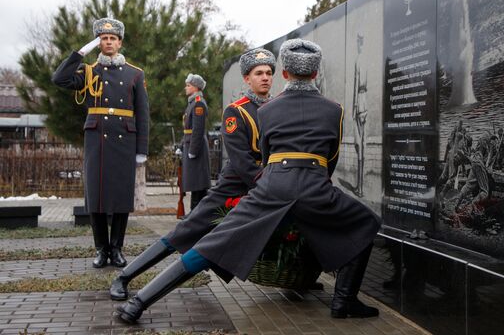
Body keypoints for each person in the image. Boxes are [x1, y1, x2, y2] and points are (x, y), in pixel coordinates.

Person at [116, 39, 381, 323]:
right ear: (315, 73)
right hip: (315, 185)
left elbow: (267, 156)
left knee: (210, 245)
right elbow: (331, 159)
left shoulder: (267, 111)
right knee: (367, 222)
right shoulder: (335, 110)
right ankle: (344, 300)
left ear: (285, 74)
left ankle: (138, 304)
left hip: (272, 184)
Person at [110, 48, 276, 300]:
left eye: (269, 73)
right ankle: (124, 277)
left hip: (263, 186)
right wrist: (267, 182)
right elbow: (242, 161)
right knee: (185, 231)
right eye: (258, 73)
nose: (265, 77)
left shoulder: (277, 108)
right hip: (235, 186)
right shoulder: (236, 111)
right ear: (247, 79)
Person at [52, 18, 149, 268]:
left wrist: (141, 150)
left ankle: (116, 248)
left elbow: (143, 114)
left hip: (124, 141)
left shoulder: (135, 74)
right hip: (97, 141)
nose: (108, 42)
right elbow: (59, 79)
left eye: (112, 38)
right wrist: (80, 52)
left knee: (120, 198)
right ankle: (100, 250)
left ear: (120, 42)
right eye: (103, 39)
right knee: (95, 198)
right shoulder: (88, 71)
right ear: (98, 43)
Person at [181, 73, 210, 210]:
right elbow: (187, 129)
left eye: (188, 85)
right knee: (194, 183)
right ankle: (195, 212)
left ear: (196, 88)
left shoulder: (198, 103)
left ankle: (197, 212)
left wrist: (192, 150)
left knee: (198, 183)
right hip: (190, 145)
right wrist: (182, 145)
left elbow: (197, 130)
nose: (186, 88)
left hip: (196, 148)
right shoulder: (193, 103)